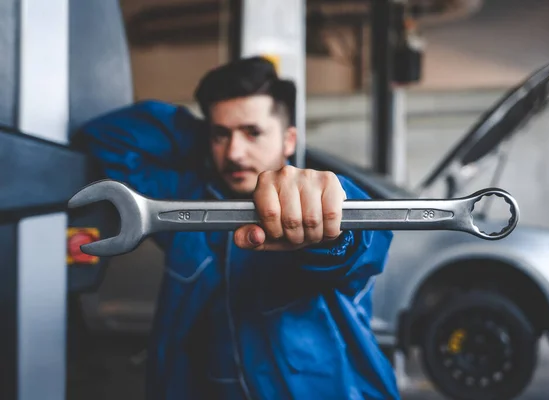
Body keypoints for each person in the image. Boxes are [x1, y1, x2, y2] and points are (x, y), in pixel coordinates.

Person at [75, 56, 400, 400]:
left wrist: (330, 220)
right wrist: (200, 134)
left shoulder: (314, 205)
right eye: (221, 135)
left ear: (289, 140)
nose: (234, 153)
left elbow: (361, 245)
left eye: (252, 132)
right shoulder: (183, 203)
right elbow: (105, 137)